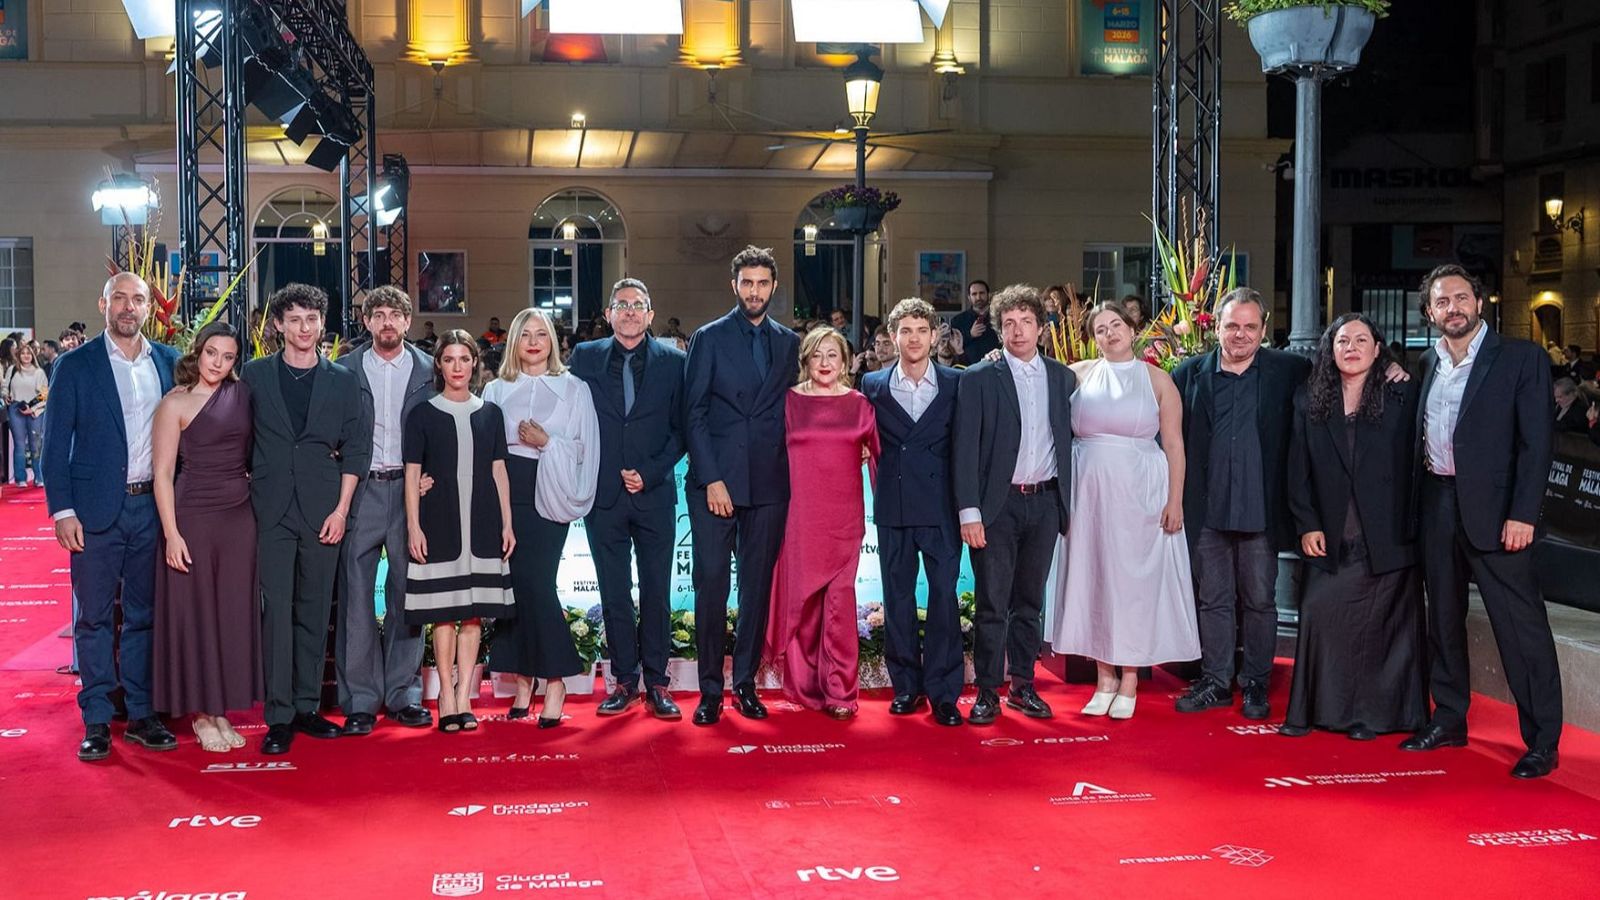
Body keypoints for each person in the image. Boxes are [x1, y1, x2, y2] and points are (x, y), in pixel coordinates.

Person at [1404, 264, 1562, 779]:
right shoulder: (1427, 361)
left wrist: (1523, 514)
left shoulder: (1521, 358)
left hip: (1499, 515)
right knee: (1444, 622)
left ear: (1479, 301)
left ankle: (1543, 741)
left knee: (1521, 628)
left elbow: (1537, 444)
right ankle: (1449, 719)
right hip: (1438, 503)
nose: (1452, 307)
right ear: (1430, 312)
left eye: (1460, 297)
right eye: (1441, 301)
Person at [44, 272, 182, 761]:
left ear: (149, 308)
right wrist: (63, 511)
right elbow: (54, 445)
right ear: (104, 304)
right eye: (119, 298)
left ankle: (142, 713)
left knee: (144, 616)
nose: (128, 307)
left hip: (151, 509)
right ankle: (98, 719)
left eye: (137, 299)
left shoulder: (168, 362)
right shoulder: (74, 365)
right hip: (94, 511)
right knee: (95, 619)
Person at [1282, 314, 1426, 741]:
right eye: (1343, 340)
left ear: (1378, 349)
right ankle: (1317, 711)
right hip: (1331, 535)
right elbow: (1297, 469)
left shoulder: (1402, 394)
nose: (1352, 348)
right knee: (1319, 612)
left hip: (1388, 537)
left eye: (1362, 340)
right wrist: (1307, 524)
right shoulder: (1309, 399)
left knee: (1381, 632)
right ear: (1330, 349)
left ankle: (1372, 718)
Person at [1169, 288, 1311, 721]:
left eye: (1250, 326)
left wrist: (1391, 365)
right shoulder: (1188, 374)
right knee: (1212, 600)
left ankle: (1255, 684)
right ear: (1216, 326)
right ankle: (1216, 681)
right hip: (1207, 510)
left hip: (1261, 510)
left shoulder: (1290, 370)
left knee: (1259, 602)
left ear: (1264, 329)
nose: (1241, 334)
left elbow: (1346, 367)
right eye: (1232, 325)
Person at [1050, 303, 1197, 719]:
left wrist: (1175, 500)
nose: (1110, 333)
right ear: (1092, 338)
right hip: (1089, 496)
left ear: (1133, 330)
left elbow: (1174, 444)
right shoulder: (1077, 374)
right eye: (1100, 329)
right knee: (1095, 579)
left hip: (1141, 494)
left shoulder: (1158, 380)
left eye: (1116, 325)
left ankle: (1130, 677)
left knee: (1134, 584)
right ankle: (1104, 677)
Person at [242, 284, 370, 755]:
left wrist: (341, 510)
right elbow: (238, 437)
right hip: (270, 508)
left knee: (315, 611)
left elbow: (357, 449)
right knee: (276, 612)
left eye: (311, 319)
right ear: (278, 325)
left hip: (324, 510)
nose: (303, 328)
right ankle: (278, 716)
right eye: (294, 319)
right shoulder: (255, 375)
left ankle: (306, 706)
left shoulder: (343, 380)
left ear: (322, 324)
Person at [684, 245, 801, 726]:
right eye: (747, 283)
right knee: (711, 585)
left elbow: (798, 407)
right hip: (716, 483)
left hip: (769, 482)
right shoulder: (708, 337)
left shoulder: (789, 342)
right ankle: (711, 689)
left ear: (773, 287)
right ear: (734, 285)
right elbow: (693, 413)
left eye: (762, 283)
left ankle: (746, 684)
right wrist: (712, 478)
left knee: (756, 590)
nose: (755, 291)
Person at [952, 284, 1074, 724]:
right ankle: (987, 691)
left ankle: (1023, 685)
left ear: (1041, 328)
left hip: (1045, 504)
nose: (1018, 331)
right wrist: (970, 512)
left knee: (1029, 603)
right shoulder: (979, 377)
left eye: (1026, 322)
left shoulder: (1063, 378)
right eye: (1009, 323)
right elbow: (964, 449)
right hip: (996, 507)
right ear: (999, 329)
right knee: (991, 604)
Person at [569, 278, 687, 720]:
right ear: (609, 314)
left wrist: (651, 473)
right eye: (622, 304)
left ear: (650, 314)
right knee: (614, 592)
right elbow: (572, 419)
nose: (631, 311)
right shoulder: (585, 357)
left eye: (639, 305)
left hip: (654, 494)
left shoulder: (675, 362)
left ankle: (657, 682)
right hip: (604, 496)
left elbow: (682, 430)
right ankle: (623, 680)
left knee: (657, 591)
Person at [484, 309, 599, 727]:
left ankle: (555, 680)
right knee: (514, 588)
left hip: (549, 490)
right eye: (526, 334)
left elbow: (585, 447)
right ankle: (524, 680)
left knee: (538, 584)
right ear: (514, 341)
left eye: (542, 334)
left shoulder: (574, 388)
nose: (533, 342)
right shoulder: (496, 389)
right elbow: (485, 448)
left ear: (553, 341)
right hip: (505, 490)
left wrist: (547, 441)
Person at [151, 323, 261, 752]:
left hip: (239, 518)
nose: (218, 363)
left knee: (230, 614)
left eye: (228, 356)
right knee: (196, 614)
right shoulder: (174, 403)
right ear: (198, 352)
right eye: (212, 353)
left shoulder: (243, 395)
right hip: (192, 516)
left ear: (236, 362)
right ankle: (201, 714)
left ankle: (221, 709)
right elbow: (163, 474)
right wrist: (171, 534)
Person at [335, 287, 437, 735]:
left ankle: (403, 694)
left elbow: (445, 427)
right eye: (378, 314)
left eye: (395, 314)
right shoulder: (345, 369)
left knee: (406, 595)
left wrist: (433, 473)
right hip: (362, 491)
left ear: (408, 321)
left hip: (412, 493)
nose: (387, 322)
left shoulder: (429, 370)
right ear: (367, 322)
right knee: (356, 597)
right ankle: (360, 699)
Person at [764, 327, 879, 718]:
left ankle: (841, 692)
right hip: (799, 517)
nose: (825, 363)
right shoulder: (789, 402)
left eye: (833, 355)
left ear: (845, 361)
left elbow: (881, 458)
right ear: (806, 361)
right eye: (817, 355)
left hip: (844, 519)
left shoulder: (860, 405)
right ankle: (806, 686)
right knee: (804, 602)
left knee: (840, 605)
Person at [404, 332, 516, 732]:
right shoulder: (421, 414)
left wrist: (507, 522)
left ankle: (464, 694)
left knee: (472, 616)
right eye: (449, 359)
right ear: (439, 365)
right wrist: (414, 525)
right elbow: (412, 474)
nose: (457, 367)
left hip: (483, 520)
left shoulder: (491, 413)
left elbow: (499, 470)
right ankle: (445, 698)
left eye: (464, 359)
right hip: (439, 520)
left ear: (474, 364)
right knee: (443, 615)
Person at [860, 299, 965, 726]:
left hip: (942, 508)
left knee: (943, 598)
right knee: (898, 598)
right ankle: (905, 686)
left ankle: (943, 692)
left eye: (922, 330)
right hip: (894, 505)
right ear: (893, 336)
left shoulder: (957, 383)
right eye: (906, 330)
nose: (914, 338)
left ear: (935, 335)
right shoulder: (872, 384)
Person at [5, 341, 48, 487]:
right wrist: (6, 395)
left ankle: (39, 477)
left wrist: (33, 409)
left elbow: (45, 394)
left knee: (36, 444)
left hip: (35, 409)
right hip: (16, 408)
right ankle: (20, 478)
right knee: (19, 444)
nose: (26, 356)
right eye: (23, 353)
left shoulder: (39, 372)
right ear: (18, 355)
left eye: (28, 353)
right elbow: (5, 387)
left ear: (33, 355)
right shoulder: (12, 370)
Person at [951, 280, 999, 363]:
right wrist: (970, 334)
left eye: (981, 293)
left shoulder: (998, 317)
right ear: (969, 297)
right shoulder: (958, 320)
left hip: (995, 363)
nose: (978, 297)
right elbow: (952, 345)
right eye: (974, 294)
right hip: (967, 366)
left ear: (988, 295)